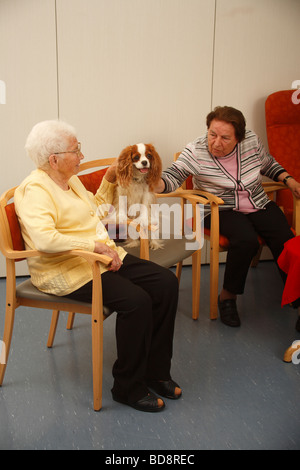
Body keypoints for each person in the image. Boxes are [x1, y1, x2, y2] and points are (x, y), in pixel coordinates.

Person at [14, 120, 182, 412]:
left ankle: (156, 372)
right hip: (66, 270)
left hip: (102, 257)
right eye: (76, 150)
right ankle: (127, 387)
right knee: (137, 301)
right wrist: (95, 247)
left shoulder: (70, 180)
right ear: (53, 159)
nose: (81, 155)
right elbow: (44, 239)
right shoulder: (34, 190)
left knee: (165, 283)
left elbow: (96, 210)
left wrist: (109, 178)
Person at [154, 106, 300, 329]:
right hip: (217, 208)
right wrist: (155, 183)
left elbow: (268, 164)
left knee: (285, 238)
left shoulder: (251, 141)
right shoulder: (196, 150)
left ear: (239, 138)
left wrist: (289, 180)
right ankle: (227, 298)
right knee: (245, 240)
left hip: (257, 201)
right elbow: (174, 176)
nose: (216, 143)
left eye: (225, 138)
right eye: (212, 134)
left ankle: (297, 297)